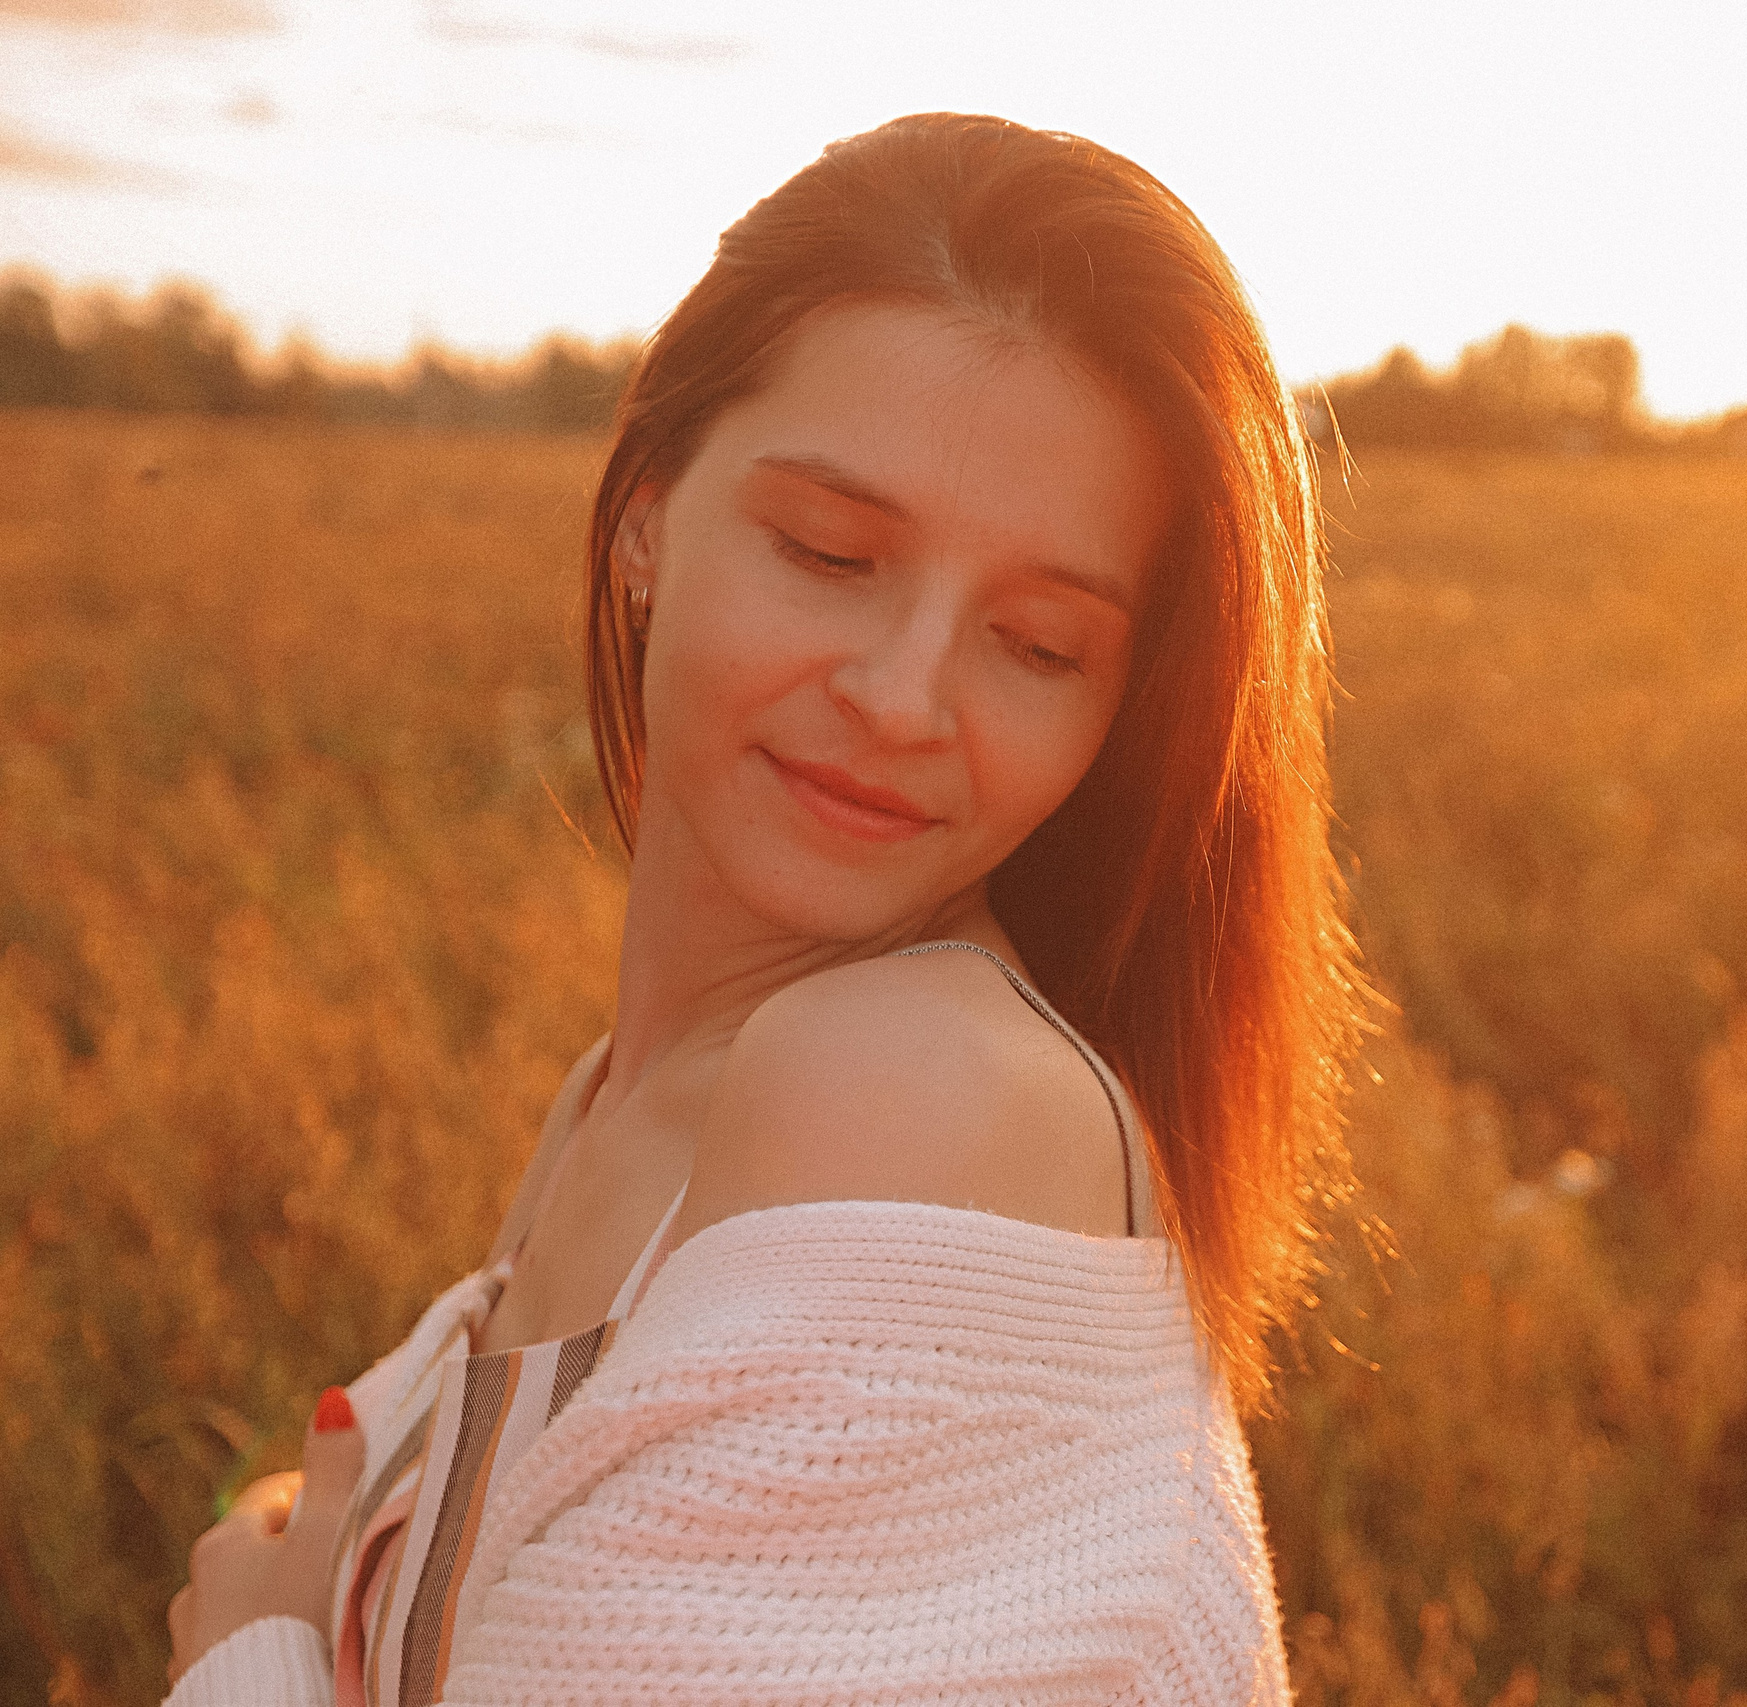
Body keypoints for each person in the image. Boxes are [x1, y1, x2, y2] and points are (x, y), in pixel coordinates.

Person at [160, 111, 1364, 1705]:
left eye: (1039, 644)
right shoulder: (631, 1099)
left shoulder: (911, 1094)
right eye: (830, 552)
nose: (902, 694)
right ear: (649, 512)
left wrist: (255, 1645)